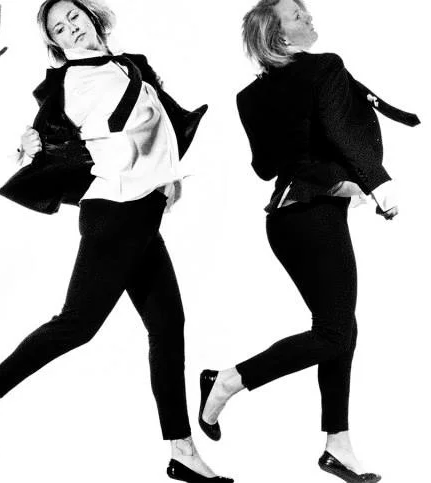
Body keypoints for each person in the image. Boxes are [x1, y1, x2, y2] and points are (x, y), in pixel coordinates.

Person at [0, 1, 230, 482]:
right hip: (115, 215)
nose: (71, 29)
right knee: (77, 324)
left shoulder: (126, 65)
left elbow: (155, 126)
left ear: (91, 15)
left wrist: (167, 176)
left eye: (73, 17)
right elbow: (46, 138)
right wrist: (29, 143)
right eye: (59, 29)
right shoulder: (71, 82)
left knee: (168, 325)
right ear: (55, 43)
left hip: (142, 211)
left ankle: (182, 450)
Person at [198, 1, 418, 482]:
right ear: (275, 34)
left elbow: (266, 167)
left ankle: (338, 444)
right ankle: (229, 381)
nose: (309, 17)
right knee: (335, 333)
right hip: (312, 218)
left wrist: (334, 179)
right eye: (297, 15)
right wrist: (376, 184)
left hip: (287, 221)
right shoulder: (324, 67)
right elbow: (344, 131)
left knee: (340, 329)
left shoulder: (250, 96)